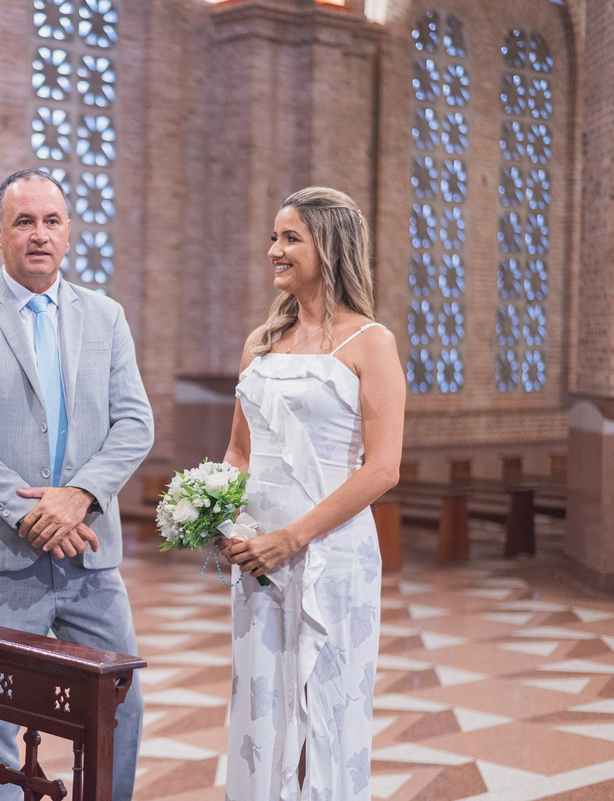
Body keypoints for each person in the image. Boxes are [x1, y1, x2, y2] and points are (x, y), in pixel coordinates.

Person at [0, 169, 153, 800]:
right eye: (24, 222)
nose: (39, 235)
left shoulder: (105, 317)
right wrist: (29, 513)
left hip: (89, 554)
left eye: (51, 221)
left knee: (120, 704)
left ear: (68, 232)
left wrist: (78, 496)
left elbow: (136, 423)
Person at [219, 187, 403, 800]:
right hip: (258, 559)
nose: (274, 250)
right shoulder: (261, 343)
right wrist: (223, 522)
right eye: (274, 237)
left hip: (332, 555)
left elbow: (382, 469)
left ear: (330, 245)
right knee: (262, 703)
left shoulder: (370, 343)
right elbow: (239, 452)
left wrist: (291, 538)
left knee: (327, 708)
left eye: (290, 238)